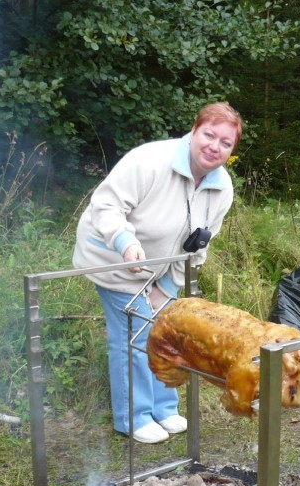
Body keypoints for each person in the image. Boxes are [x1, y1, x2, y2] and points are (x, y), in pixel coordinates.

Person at [73, 103, 241, 443]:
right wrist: (124, 242)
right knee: (133, 332)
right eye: (209, 135)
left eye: (226, 143)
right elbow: (106, 205)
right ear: (194, 131)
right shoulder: (149, 161)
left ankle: (163, 409)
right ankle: (134, 416)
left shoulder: (221, 187)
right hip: (114, 258)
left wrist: (166, 286)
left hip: (161, 268)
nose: (215, 147)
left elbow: (199, 245)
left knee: (168, 333)